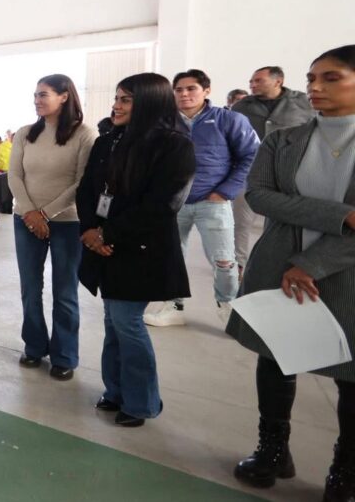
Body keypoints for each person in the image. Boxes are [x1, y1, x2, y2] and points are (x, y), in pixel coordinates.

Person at [227, 46, 355, 497]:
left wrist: (312, 264)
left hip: (345, 273)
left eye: (332, 78)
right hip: (280, 264)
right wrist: (340, 215)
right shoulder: (285, 139)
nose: (316, 87)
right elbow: (259, 195)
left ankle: (345, 470)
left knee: (350, 375)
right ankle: (273, 450)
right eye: (312, 77)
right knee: (276, 359)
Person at [76, 73, 195, 428]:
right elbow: (87, 191)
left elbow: (161, 205)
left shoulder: (174, 146)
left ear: (149, 103)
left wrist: (107, 233)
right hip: (103, 242)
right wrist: (89, 230)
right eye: (117, 97)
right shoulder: (109, 141)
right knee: (114, 321)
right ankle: (115, 391)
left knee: (127, 322)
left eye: (126, 99)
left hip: (141, 248)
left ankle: (142, 402)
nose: (116, 105)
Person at [145, 70, 260, 327]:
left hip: (213, 202)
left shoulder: (229, 120)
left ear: (206, 91)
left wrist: (224, 192)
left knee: (224, 260)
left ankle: (229, 309)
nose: (184, 94)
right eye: (179, 90)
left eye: (191, 88)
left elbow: (251, 157)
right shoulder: (162, 123)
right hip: (173, 204)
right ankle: (173, 307)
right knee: (170, 257)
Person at [8, 75, 96, 381]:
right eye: (34, 95)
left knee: (65, 291)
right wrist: (31, 213)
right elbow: (14, 176)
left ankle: (64, 355)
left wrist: (45, 214)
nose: (36, 100)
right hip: (25, 221)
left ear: (64, 97)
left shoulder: (84, 135)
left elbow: (82, 182)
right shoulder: (25, 134)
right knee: (30, 288)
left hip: (67, 223)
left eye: (43, 95)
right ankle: (34, 346)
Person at [231, 65, 316, 273]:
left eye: (258, 80)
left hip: (292, 171)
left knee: (284, 221)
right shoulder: (242, 107)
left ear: (278, 81)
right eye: (251, 81)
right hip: (250, 171)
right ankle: (238, 265)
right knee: (242, 221)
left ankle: (290, 263)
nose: (252, 85)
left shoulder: (304, 102)